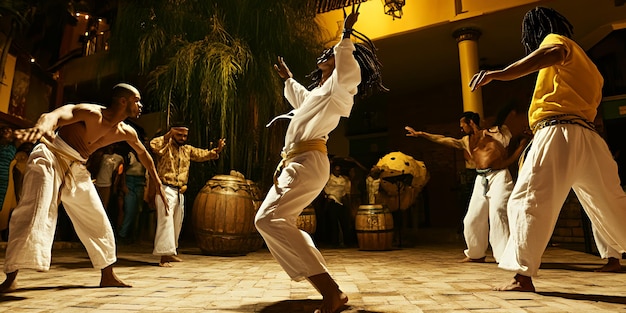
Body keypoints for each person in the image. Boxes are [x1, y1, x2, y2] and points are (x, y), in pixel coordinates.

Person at [469, 6, 626, 292]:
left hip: (557, 132)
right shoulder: (589, 66)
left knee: (530, 199)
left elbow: (548, 54)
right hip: (589, 137)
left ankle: (522, 276)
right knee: (612, 203)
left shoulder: (556, 42)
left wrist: (499, 73)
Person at [254, 7, 382, 313]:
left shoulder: (342, 87)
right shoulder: (321, 93)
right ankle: (330, 289)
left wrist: (346, 36)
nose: (324, 54)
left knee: (269, 219)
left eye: (331, 52)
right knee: (272, 220)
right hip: (299, 162)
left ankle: (330, 291)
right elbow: (303, 102)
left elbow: (348, 70)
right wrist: (289, 79)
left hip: (307, 161)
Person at [0, 83, 168, 292]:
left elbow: (144, 155)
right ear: (123, 101)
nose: (140, 105)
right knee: (35, 210)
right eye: (137, 101)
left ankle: (108, 275)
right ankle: (11, 276)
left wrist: (157, 183)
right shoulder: (91, 113)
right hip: (51, 156)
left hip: (76, 167)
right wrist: (42, 128)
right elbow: (55, 115)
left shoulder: (126, 132)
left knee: (97, 218)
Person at [149, 125, 225, 267]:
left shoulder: (187, 150)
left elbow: (202, 154)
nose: (182, 138)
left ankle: (170, 252)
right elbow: (153, 145)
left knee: (177, 222)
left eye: (185, 136)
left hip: (179, 191)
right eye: (179, 135)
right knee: (166, 221)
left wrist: (216, 151)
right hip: (165, 188)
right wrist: (167, 136)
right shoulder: (165, 147)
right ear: (172, 133)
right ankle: (163, 256)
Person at [118, 149, 147, 244]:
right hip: (130, 181)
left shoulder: (144, 154)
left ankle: (134, 235)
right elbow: (122, 171)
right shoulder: (129, 155)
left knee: (138, 210)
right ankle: (123, 234)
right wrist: (123, 185)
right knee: (129, 209)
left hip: (140, 181)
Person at [323, 164, 354, 247]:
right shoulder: (329, 178)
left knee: (343, 221)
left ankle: (346, 241)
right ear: (333, 170)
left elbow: (346, 191)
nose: (338, 171)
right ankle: (335, 242)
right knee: (333, 223)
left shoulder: (343, 179)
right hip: (332, 199)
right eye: (336, 170)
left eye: (339, 170)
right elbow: (323, 188)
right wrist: (326, 196)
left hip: (340, 201)